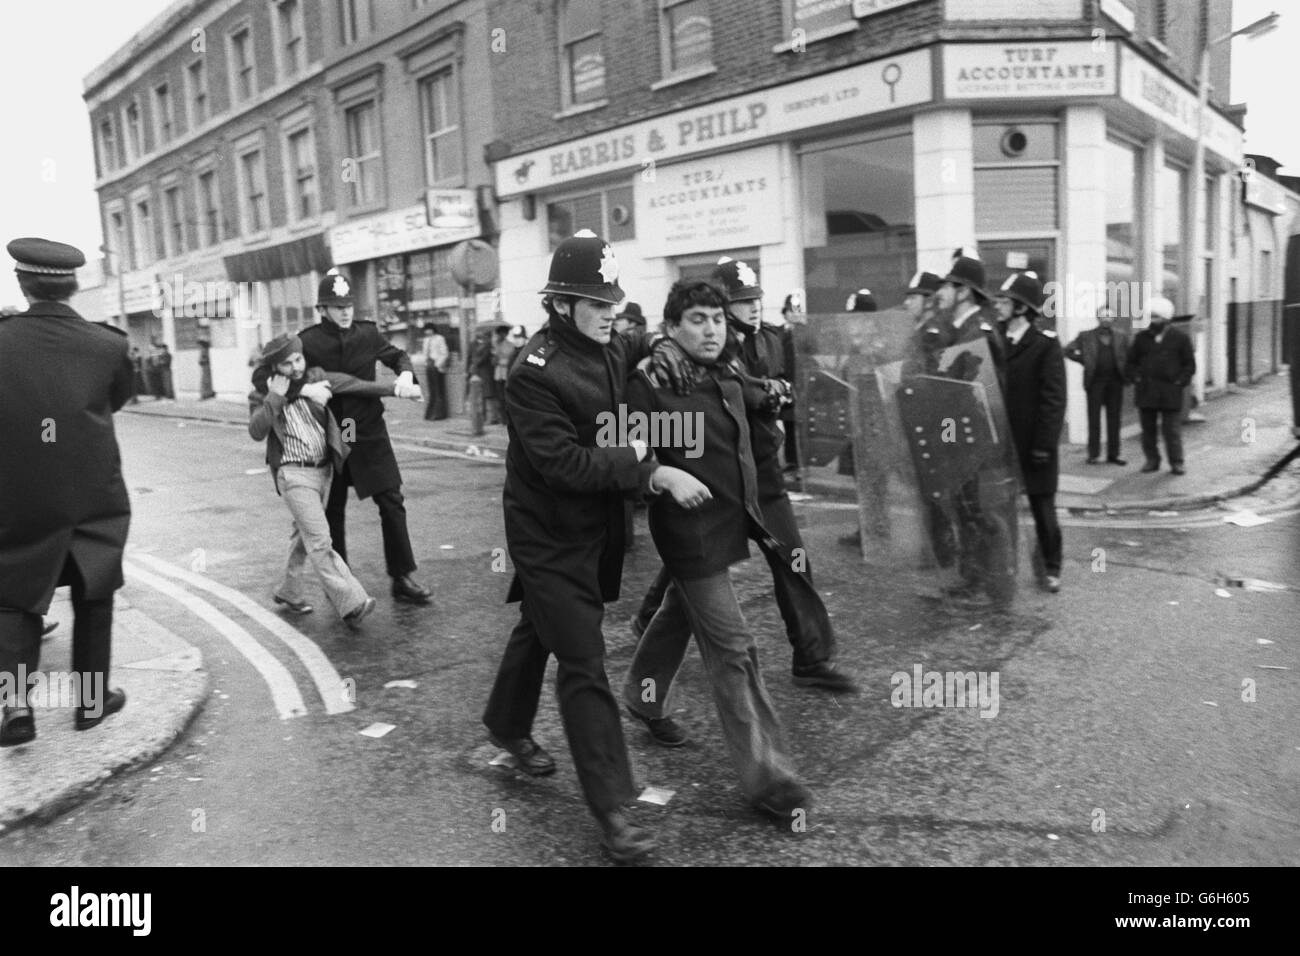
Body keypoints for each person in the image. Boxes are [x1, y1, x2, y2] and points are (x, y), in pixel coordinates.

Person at [481, 230, 698, 863]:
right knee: (582, 659)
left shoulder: (603, 341)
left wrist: (659, 343)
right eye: (598, 303)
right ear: (560, 305)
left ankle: (505, 724)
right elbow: (564, 467)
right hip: (546, 537)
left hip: (592, 530)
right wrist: (643, 467)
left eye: (613, 302)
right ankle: (614, 810)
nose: (612, 313)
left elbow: (632, 343)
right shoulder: (532, 374)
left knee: (537, 630)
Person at [623, 279, 811, 818]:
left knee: (678, 615)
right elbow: (625, 453)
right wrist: (660, 474)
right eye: (699, 319)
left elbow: (753, 397)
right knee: (734, 648)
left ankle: (644, 695)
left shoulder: (722, 369)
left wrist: (776, 393)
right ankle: (770, 779)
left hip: (731, 520)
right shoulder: (654, 380)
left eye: (718, 319)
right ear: (672, 327)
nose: (711, 329)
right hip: (690, 532)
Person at [633, 258, 857, 693]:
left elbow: (775, 386)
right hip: (717, 482)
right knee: (689, 579)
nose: (752, 309)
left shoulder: (772, 340)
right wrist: (660, 343)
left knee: (794, 562)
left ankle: (812, 657)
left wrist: (780, 393)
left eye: (755, 300)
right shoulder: (697, 348)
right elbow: (642, 352)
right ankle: (647, 630)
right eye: (740, 302)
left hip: (764, 480)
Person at [1, 238, 132, 746]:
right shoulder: (109, 345)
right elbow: (116, 399)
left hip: (19, 493)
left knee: (15, 602)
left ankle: (16, 708)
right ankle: (91, 705)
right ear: (73, 285)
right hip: (93, 492)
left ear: (22, 284)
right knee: (94, 593)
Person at [248, 334, 421, 625]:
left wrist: (399, 389)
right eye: (287, 364)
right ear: (275, 368)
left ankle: (289, 591)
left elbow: (355, 384)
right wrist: (279, 395)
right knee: (320, 540)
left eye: (298, 359)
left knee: (303, 535)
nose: (296, 367)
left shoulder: (318, 378)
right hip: (292, 474)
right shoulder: (263, 393)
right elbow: (256, 430)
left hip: (321, 472)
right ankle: (351, 601)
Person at [292, 270, 433, 604]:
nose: (345, 312)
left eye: (348, 305)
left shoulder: (368, 334)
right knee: (334, 508)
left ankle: (402, 576)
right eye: (336, 306)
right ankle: (340, 582)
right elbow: (286, 375)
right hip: (335, 432)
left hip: (368, 430)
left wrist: (406, 374)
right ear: (322, 309)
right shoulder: (308, 342)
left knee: (392, 501)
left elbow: (397, 356)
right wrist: (304, 388)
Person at [994, 273, 1066, 593]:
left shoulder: (1045, 345)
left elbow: (1054, 400)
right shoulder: (993, 339)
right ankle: (1005, 566)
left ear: (1022, 308)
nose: (998, 305)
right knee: (1002, 510)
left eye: (1005, 301)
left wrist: (1043, 445)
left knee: (1043, 510)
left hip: (1034, 445)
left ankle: (1051, 567)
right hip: (1001, 445)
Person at [1125, 296, 1196, 475]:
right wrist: (1136, 378)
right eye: (1150, 317)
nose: (1152, 321)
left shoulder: (1180, 338)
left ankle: (1176, 462)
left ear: (1166, 319)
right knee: (1148, 430)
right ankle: (1152, 460)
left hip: (1170, 392)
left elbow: (1189, 365)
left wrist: (1180, 381)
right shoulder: (1141, 338)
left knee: (1172, 431)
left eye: (1156, 317)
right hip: (1146, 392)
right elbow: (1130, 363)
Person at [1065, 306, 1130, 465]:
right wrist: (1085, 361)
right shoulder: (1086, 336)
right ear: (1098, 318)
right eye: (1103, 316)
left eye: (1109, 316)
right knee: (1094, 419)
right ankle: (1093, 454)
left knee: (1114, 419)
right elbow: (1068, 350)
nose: (1106, 319)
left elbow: (1129, 356)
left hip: (1115, 382)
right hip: (1095, 382)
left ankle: (1114, 454)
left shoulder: (1121, 336)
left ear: (1114, 319)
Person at [421, 322, 449, 421]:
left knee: (438, 390)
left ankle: (439, 413)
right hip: (429, 366)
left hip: (436, 365)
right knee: (432, 390)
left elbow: (444, 353)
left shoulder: (440, 338)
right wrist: (426, 363)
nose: (427, 331)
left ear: (433, 329)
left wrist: (437, 364)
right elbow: (424, 353)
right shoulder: (426, 340)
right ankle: (430, 413)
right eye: (426, 330)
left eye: (429, 329)